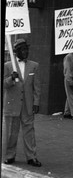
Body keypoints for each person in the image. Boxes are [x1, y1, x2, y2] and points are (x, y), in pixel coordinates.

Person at [3, 38, 42, 167]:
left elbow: (37, 86)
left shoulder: (34, 66)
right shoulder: (8, 66)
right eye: (23, 50)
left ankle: (31, 157)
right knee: (11, 133)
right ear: (16, 52)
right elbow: (3, 84)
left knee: (29, 132)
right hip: (12, 104)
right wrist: (11, 79)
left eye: (27, 49)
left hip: (28, 105)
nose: (26, 52)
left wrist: (36, 102)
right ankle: (10, 156)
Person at [63, 52, 73, 120]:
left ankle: (67, 112)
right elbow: (67, 69)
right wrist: (70, 80)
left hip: (72, 77)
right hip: (70, 78)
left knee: (70, 95)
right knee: (72, 96)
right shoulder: (69, 56)